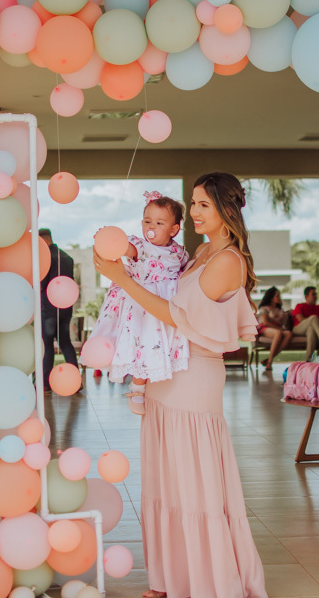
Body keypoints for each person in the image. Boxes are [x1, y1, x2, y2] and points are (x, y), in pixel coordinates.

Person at [94, 172, 267, 598]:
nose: (193, 213)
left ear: (227, 209)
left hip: (194, 375)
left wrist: (122, 280)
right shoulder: (202, 250)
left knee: (194, 481)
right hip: (166, 370)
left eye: (203, 205)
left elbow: (176, 314)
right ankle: (171, 579)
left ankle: (211, 583)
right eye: (192, 204)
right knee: (166, 480)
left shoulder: (226, 260)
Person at [90, 191, 190, 415]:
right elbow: (125, 249)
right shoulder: (140, 246)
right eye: (147, 221)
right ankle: (137, 387)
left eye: (159, 222)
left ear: (174, 229)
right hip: (143, 307)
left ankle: (165, 377)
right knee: (144, 343)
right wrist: (109, 241)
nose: (150, 226)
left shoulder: (180, 252)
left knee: (165, 344)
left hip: (167, 307)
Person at [39, 228, 78, 393]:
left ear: (43, 240)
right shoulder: (67, 258)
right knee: (65, 343)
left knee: (47, 345)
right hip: (65, 309)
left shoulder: (45, 257)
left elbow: (41, 284)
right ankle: (76, 381)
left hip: (48, 309)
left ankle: (45, 384)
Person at [291, 286, 319, 359]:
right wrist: (313, 320)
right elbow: (301, 319)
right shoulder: (300, 306)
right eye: (313, 294)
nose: (315, 296)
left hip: (311, 329)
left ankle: (308, 360)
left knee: (311, 330)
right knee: (313, 318)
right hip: (298, 329)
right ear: (306, 296)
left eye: (316, 294)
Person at [256, 286, 292, 370]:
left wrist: (289, 313)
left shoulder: (279, 310)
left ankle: (269, 358)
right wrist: (280, 329)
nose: (279, 297)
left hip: (277, 328)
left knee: (289, 334)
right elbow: (266, 322)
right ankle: (270, 362)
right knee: (278, 333)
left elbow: (282, 323)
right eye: (277, 295)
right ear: (271, 297)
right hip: (265, 328)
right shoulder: (264, 308)